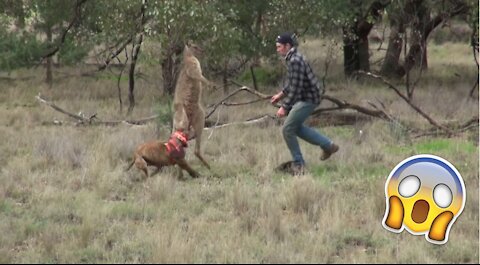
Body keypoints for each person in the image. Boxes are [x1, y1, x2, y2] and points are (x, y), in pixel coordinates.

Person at [271, 32, 339, 175]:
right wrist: (280, 95)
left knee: (287, 129)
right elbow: (293, 83)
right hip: (307, 97)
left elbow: (296, 88)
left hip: (308, 99)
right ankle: (328, 145)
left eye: (279, 47)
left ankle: (299, 164)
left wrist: (284, 107)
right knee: (295, 127)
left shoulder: (294, 60)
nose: (277, 50)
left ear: (287, 46)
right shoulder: (293, 58)